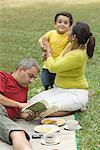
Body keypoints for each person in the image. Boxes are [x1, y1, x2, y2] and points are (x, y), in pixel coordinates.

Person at [30, 21, 95, 117]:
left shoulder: (78, 55)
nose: (68, 32)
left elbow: (53, 68)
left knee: (45, 111)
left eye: (70, 31)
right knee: (33, 103)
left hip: (75, 93)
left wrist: (48, 50)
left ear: (74, 37)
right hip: (59, 90)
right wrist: (48, 56)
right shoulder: (70, 46)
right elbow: (57, 63)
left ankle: (75, 108)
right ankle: (72, 107)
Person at [0, 58, 40, 150]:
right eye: (30, 76)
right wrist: (19, 104)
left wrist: (27, 116)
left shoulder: (24, 89)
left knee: (19, 133)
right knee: (18, 133)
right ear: (20, 69)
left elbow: (15, 111)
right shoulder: (2, 77)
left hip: (3, 117)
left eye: (34, 78)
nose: (32, 81)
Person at [39, 11, 73, 90]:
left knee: (57, 85)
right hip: (47, 64)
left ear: (70, 26)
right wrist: (44, 49)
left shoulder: (68, 36)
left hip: (59, 65)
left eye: (65, 23)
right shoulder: (51, 33)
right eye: (59, 22)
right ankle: (47, 89)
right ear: (55, 24)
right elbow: (41, 40)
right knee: (45, 81)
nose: (62, 24)